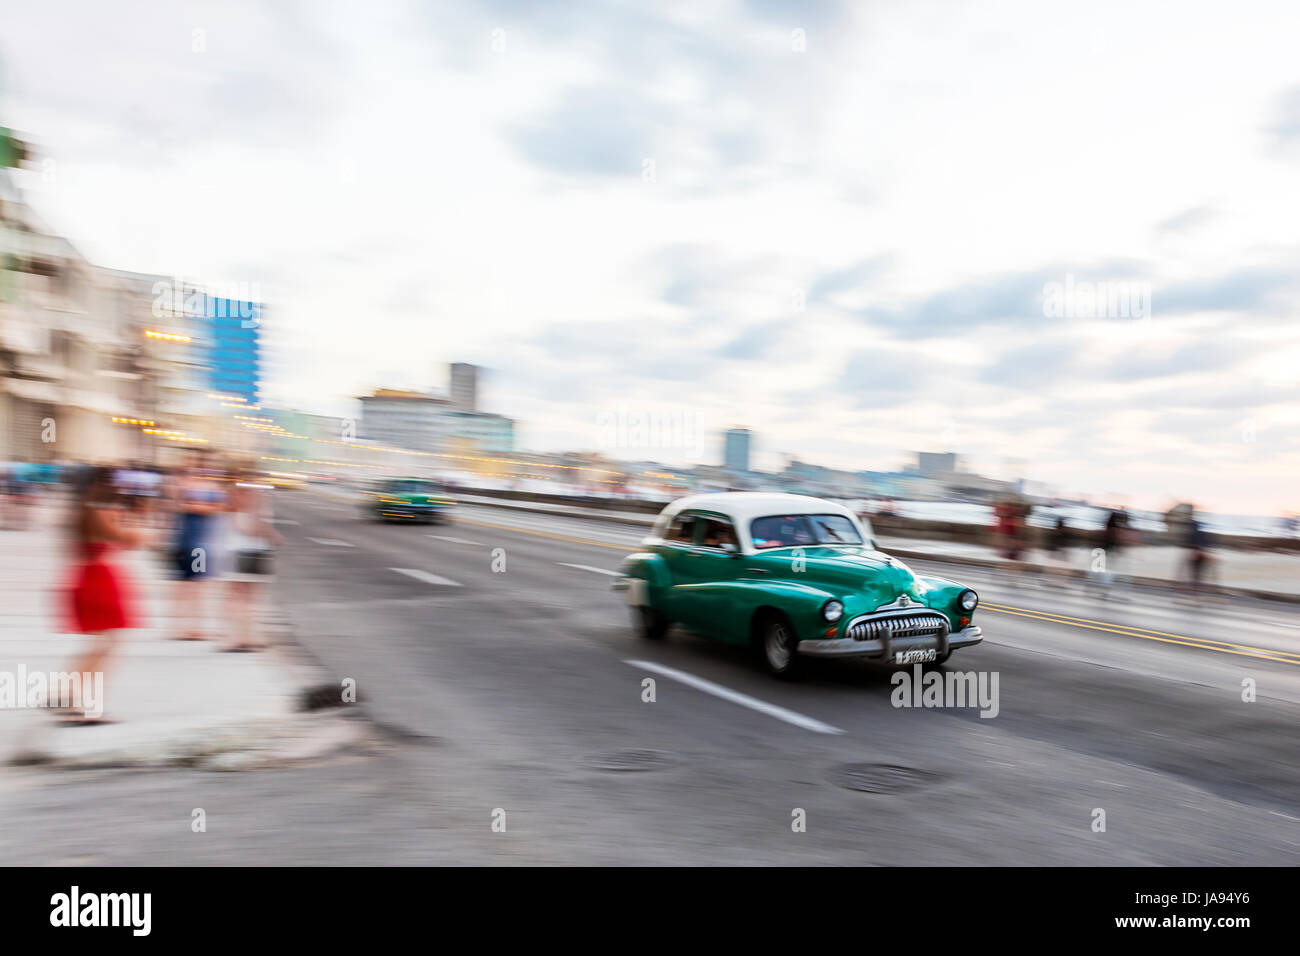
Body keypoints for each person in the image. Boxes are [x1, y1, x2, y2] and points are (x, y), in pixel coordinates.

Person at [60, 466, 145, 723]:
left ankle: (70, 696)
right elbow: (129, 539)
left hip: (89, 577)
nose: (116, 487)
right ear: (96, 484)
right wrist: (134, 519)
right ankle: (77, 700)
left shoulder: (83, 512)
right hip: (98, 580)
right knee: (106, 644)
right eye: (110, 482)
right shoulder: (95, 512)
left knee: (102, 644)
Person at [216, 471, 282, 651]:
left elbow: (249, 527)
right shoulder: (248, 500)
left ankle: (242, 637)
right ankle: (240, 637)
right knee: (245, 597)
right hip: (247, 550)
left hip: (247, 551)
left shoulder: (238, 500)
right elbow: (251, 529)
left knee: (243, 597)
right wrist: (271, 534)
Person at [168, 450, 227, 641]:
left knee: (196, 586)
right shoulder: (185, 484)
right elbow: (181, 504)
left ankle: (194, 627)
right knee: (184, 586)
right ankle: (181, 626)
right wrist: (201, 505)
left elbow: (219, 508)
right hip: (185, 542)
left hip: (199, 545)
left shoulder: (209, 487)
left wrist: (195, 504)